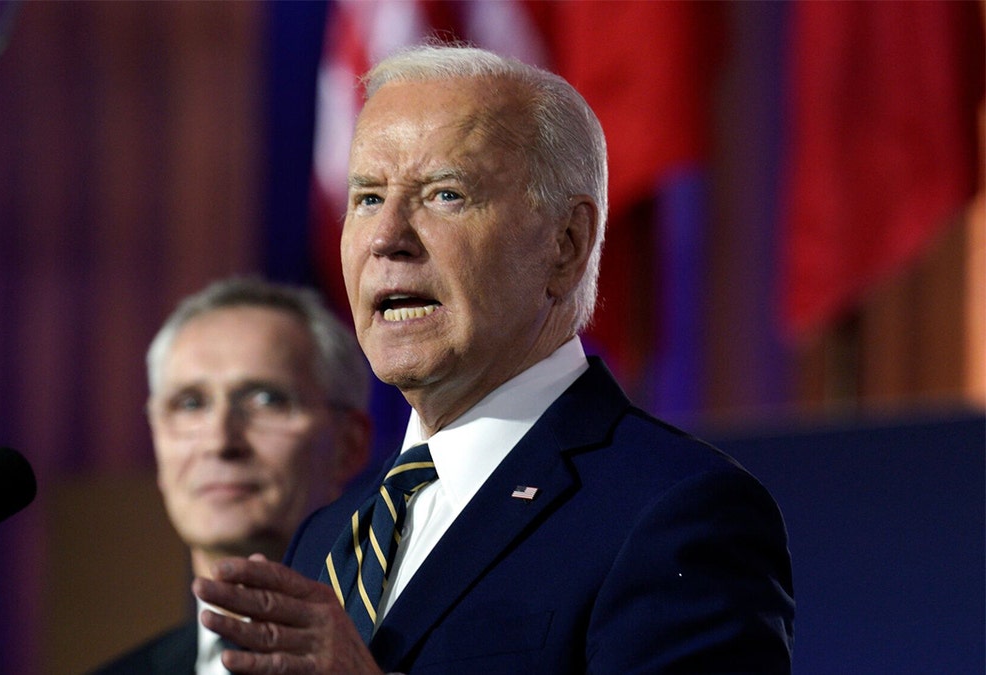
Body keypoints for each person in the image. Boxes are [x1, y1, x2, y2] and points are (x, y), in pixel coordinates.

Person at [193, 44, 795, 674]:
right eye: (368, 197)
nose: (386, 238)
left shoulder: (674, 513)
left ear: (566, 245)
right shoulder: (326, 538)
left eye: (445, 195)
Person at [92, 277, 372, 674]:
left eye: (267, 399)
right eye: (190, 403)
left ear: (349, 445)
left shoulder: (413, 650)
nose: (221, 441)